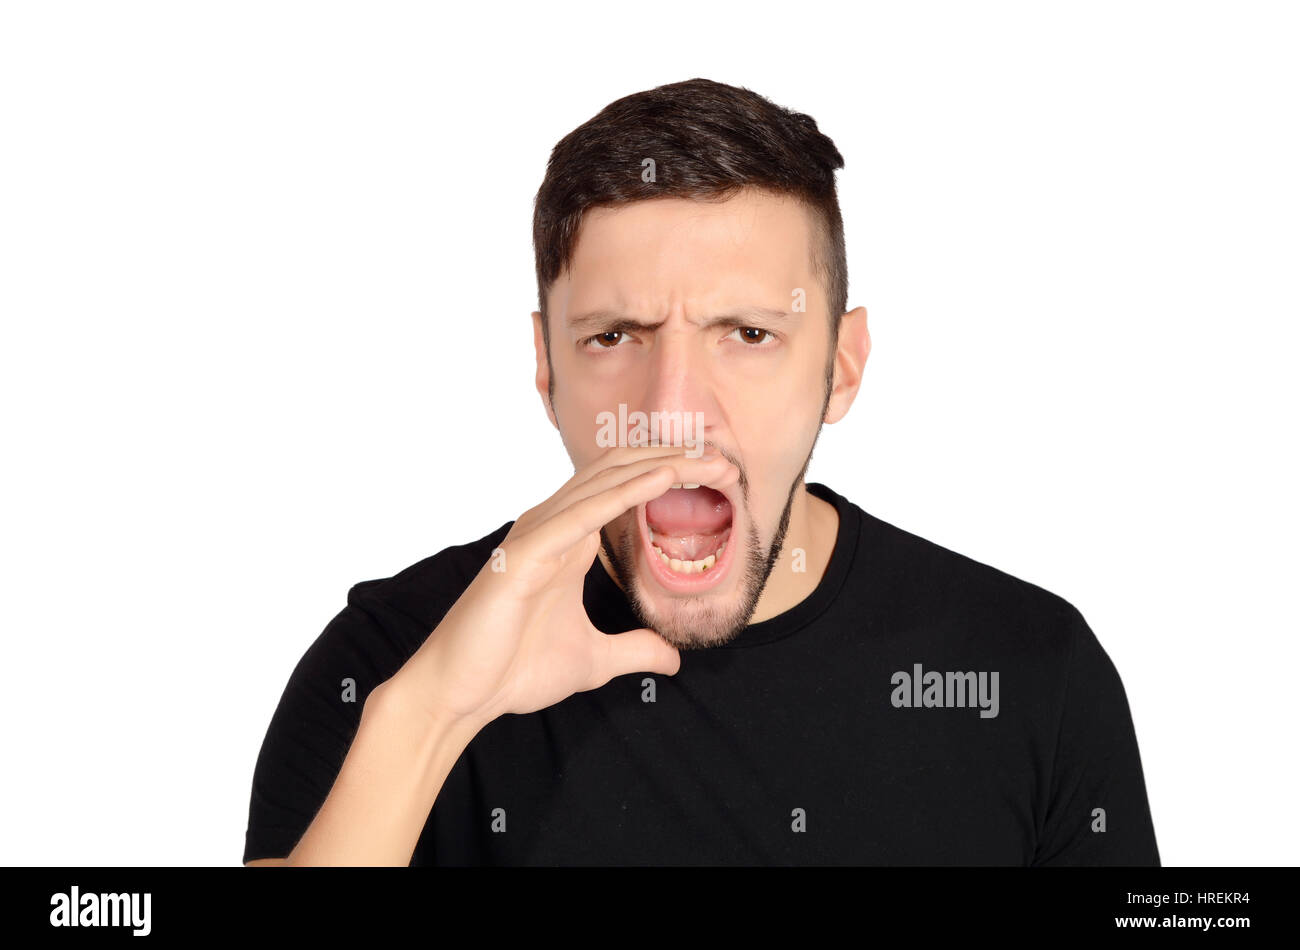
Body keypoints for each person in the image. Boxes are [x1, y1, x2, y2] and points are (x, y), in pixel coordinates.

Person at [243, 77, 1159, 866]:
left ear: (841, 366)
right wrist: (433, 712)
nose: (675, 408)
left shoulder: (1033, 673)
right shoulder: (386, 669)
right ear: (546, 370)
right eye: (615, 337)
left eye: (749, 335)